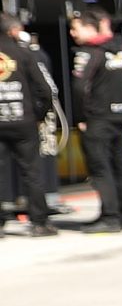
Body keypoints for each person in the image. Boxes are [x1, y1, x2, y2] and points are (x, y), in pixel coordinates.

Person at [68, 0, 122, 232]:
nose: (72, 33)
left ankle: (110, 217)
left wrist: (82, 116)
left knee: (100, 168)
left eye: (76, 28)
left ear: (92, 27)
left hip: (97, 119)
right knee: (121, 164)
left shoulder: (90, 52)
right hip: (119, 117)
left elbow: (80, 87)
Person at [0, 13, 65, 235]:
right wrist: (38, 113)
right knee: (32, 172)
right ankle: (39, 222)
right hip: (24, 121)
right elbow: (47, 89)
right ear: (14, 31)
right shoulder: (26, 54)